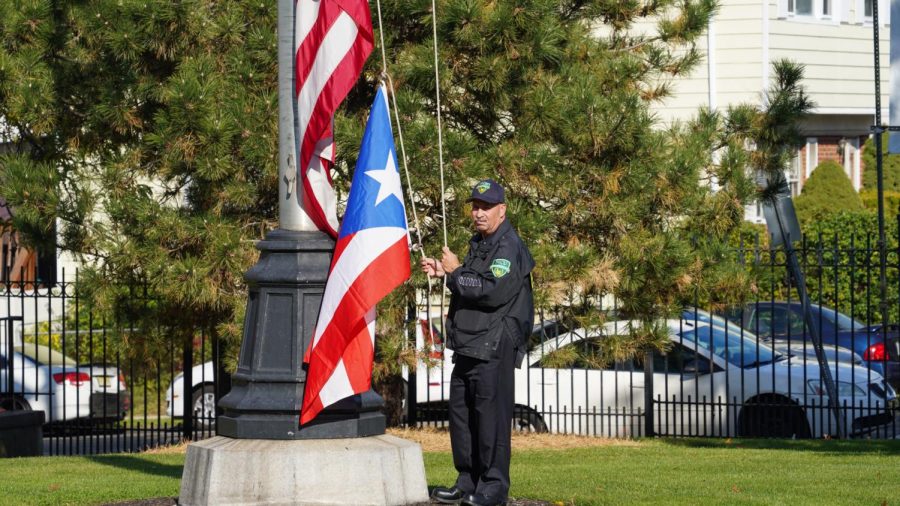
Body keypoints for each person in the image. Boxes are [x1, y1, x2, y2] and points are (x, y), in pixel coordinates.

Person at [422, 179, 535, 506]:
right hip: (469, 344)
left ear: (502, 210)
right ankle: (467, 481)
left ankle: (493, 487)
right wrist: (446, 273)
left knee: (491, 420)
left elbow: (490, 289)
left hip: (494, 345)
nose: (479, 212)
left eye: (486, 207)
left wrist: (455, 272)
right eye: (475, 206)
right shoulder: (480, 244)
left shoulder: (508, 246)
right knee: (462, 415)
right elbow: (468, 282)